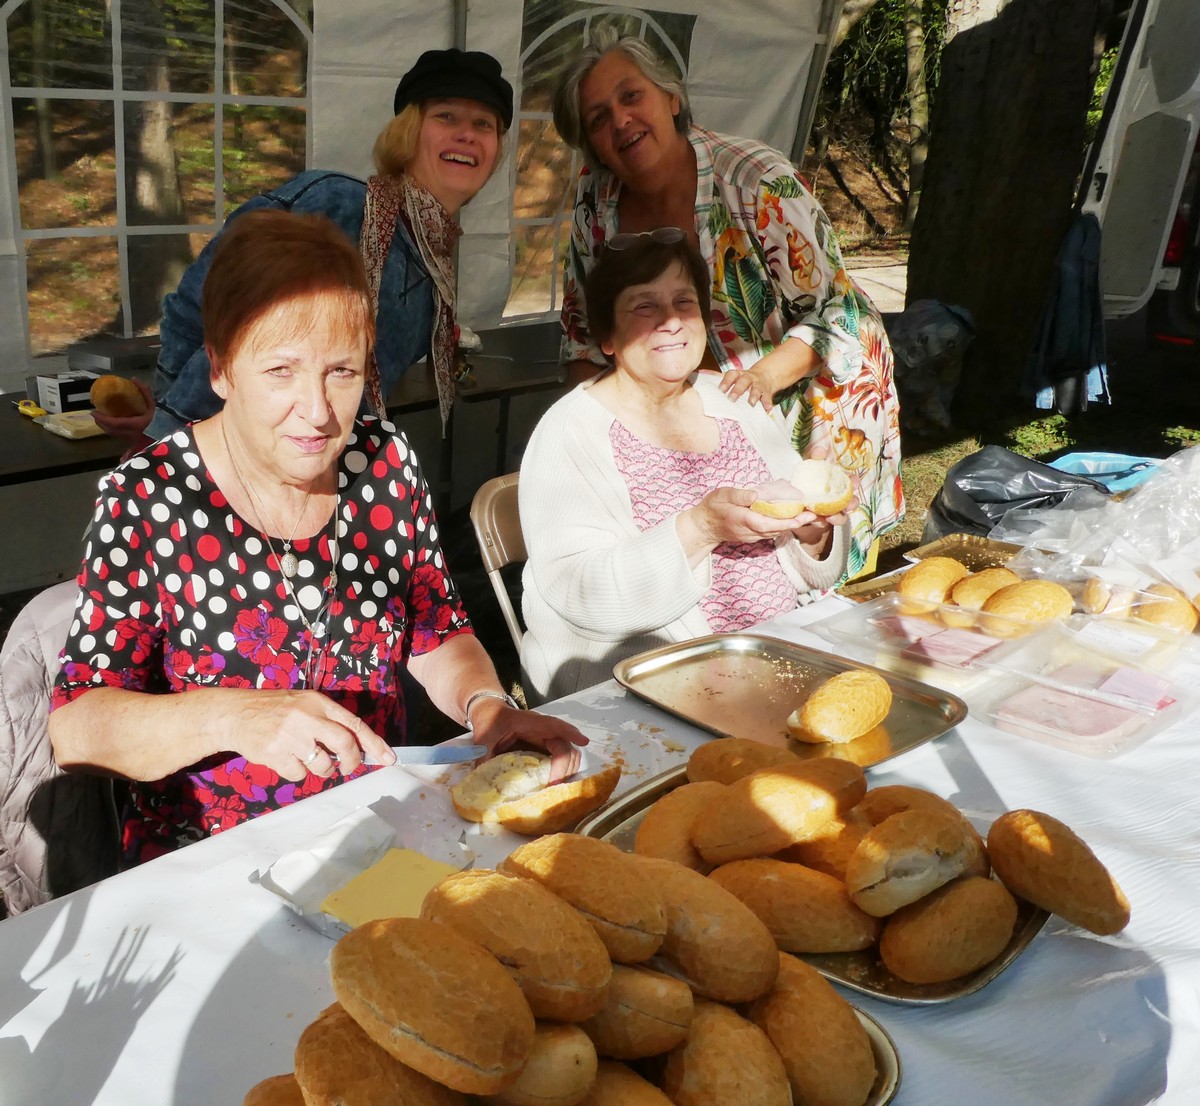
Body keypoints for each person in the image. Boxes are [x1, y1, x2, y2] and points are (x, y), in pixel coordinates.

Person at [48, 210, 585, 867]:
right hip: (212, 859)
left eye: (341, 371)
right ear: (220, 369)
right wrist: (233, 717)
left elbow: (436, 631)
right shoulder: (149, 499)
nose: (318, 411)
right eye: (281, 371)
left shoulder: (382, 463)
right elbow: (76, 728)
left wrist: (488, 707)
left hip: (376, 828)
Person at [552, 28, 903, 581]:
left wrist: (762, 378)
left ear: (672, 97)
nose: (619, 121)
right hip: (698, 422)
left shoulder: (758, 180)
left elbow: (839, 314)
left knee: (813, 571)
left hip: (813, 402)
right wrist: (589, 433)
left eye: (631, 96)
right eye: (597, 118)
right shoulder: (596, 201)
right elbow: (583, 332)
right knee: (726, 571)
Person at [95, 47, 512, 453]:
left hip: (325, 464)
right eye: (446, 116)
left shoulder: (434, 265)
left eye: (484, 124)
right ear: (408, 130)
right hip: (224, 457)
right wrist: (168, 424)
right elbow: (201, 302)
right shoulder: (336, 204)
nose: (467, 134)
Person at [518, 232, 849, 704]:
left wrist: (813, 530)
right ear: (607, 337)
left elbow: (809, 569)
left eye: (684, 302)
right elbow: (579, 593)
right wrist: (700, 529)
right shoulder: (569, 432)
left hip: (770, 661)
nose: (671, 321)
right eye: (645, 306)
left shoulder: (733, 400)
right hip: (639, 692)